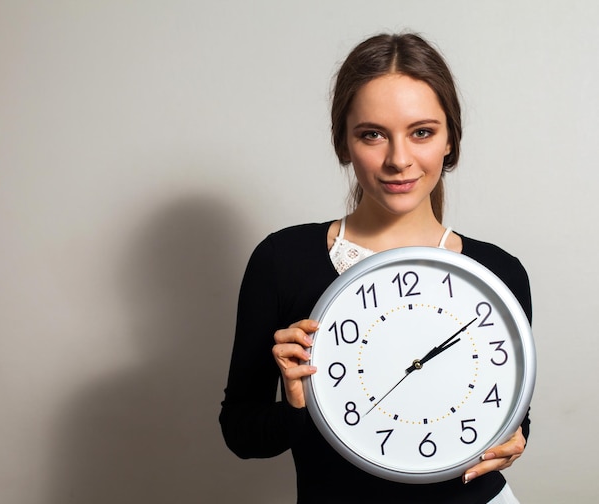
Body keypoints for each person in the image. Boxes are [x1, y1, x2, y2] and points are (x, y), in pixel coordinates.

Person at [219, 32, 531, 504]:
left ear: (451, 140)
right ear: (344, 143)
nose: (398, 159)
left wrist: (513, 441)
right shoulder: (282, 261)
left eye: (421, 132)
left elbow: (512, 416)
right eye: (372, 134)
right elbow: (242, 434)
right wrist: (296, 404)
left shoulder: (498, 272)